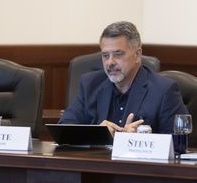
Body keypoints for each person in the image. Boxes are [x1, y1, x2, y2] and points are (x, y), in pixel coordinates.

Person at [60, 21, 188, 135]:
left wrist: (138, 142)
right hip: (98, 161)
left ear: (137, 55)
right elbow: (64, 128)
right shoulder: (90, 84)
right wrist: (97, 134)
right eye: (105, 55)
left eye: (118, 54)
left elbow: (178, 142)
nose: (110, 62)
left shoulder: (164, 90)